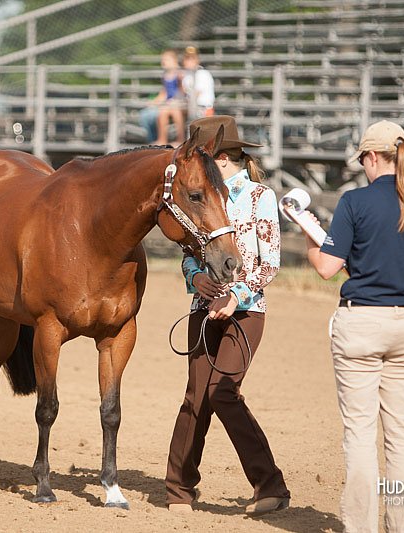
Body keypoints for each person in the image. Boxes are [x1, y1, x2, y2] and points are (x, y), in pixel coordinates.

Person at [302, 120, 404, 532]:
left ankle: (361, 527)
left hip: (362, 322)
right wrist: (400, 269)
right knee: (402, 433)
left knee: (360, 435)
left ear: (370, 157)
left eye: (363, 160)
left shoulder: (355, 202)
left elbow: (328, 269)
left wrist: (311, 237)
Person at [166, 115, 291, 517]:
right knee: (195, 398)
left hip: (246, 311)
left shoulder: (259, 197)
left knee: (223, 393)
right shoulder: (204, 194)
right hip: (203, 309)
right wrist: (195, 277)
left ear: (219, 158)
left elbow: (268, 262)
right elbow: (189, 251)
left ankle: (269, 484)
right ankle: (179, 488)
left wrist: (235, 296)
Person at [137, 49, 186, 145]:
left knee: (175, 111)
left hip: (179, 102)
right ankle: (162, 139)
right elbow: (164, 93)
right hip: (169, 104)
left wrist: (175, 100)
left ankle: (181, 139)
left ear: (174, 60)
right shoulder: (166, 75)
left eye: (166, 60)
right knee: (163, 112)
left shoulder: (179, 74)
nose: (163, 62)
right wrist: (154, 102)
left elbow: (182, 90)